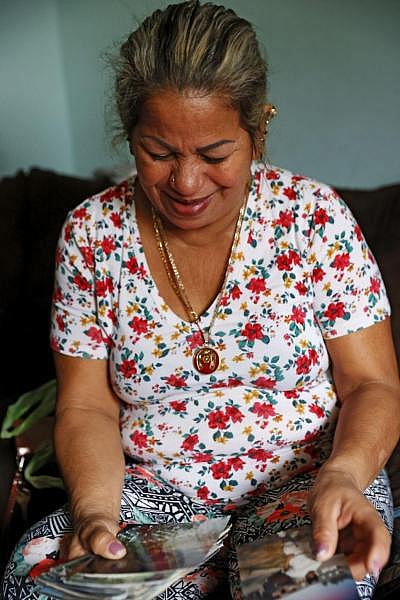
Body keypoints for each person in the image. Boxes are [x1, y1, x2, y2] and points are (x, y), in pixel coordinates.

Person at [3, 1, 400, 599]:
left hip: (309, 485)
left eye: (215, 154)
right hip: (152, 499)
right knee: (42, 584)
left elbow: (373, 386)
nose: (186, 183)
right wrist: (94, 515)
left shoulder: (314, 220)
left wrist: (343, 477)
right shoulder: (91, 233)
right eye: (159, 152)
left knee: (312, 592)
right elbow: (86, 406)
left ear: (257, 129)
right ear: (129, 133)